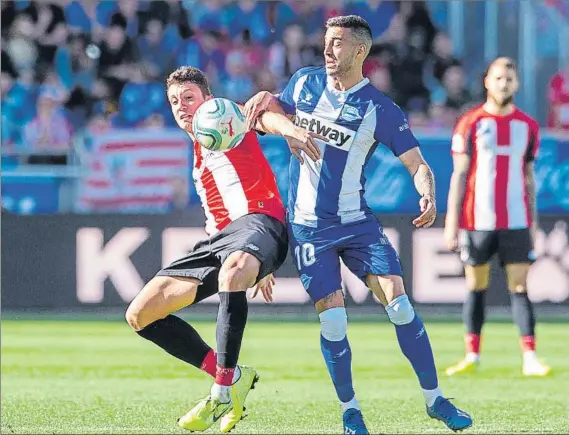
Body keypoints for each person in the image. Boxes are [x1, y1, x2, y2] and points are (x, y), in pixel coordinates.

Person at [243, 15, 472, 435]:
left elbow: (417, 164)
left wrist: (428, 192)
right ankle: (351, 411)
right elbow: (260, 117)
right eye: (327, 42)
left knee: (400, 305)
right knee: (333, 320)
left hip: (356, 222)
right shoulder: (304, 83)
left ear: (360, 51)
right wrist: (286, 124)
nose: (328, 50)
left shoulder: (380, 109)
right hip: (310, 226)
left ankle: (436, 400)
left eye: (337, 44)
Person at [125, 65, 321, 433]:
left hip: (260, 223)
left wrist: (292, 130)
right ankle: (233, 377)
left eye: (189, 98)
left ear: (207, 100)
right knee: (140, 315)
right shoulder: (201, 152)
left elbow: (263, 119)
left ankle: (220, 394)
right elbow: (219, 215)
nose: (182, 106)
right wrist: (256, 262)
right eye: (174, 101)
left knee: (233, 272)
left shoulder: (223, 118)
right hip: (223, 239)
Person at [444, 57, 551, 377]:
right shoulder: (470, 123)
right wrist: (452, 222)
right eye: (498, 78)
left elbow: (529, 178)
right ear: (487, 82)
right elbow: (459, 176)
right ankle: (472, 356)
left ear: (516, 84)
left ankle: (530, 357)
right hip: (477, 220)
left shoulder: (528, 126)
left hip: (516, 220)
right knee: (475, 286)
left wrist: (533, 223)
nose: (504, 84)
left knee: (519, 288)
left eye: (509, 79)